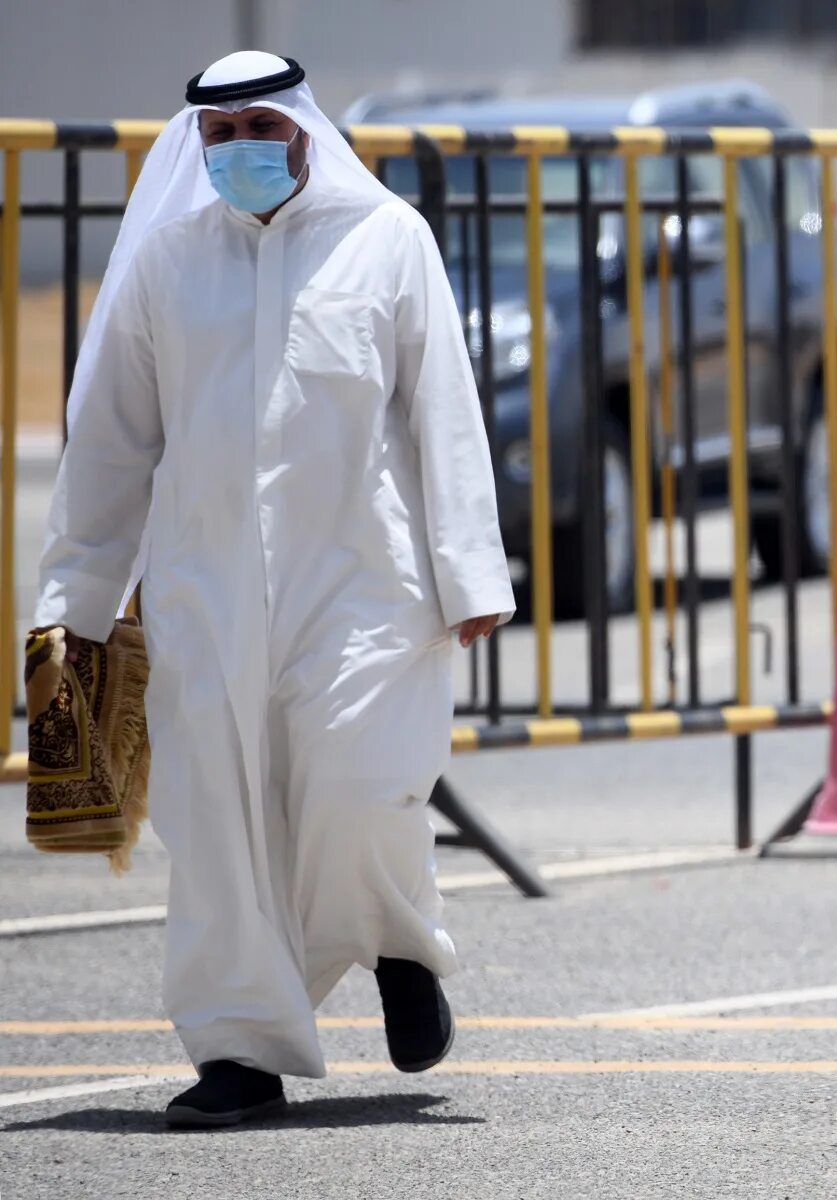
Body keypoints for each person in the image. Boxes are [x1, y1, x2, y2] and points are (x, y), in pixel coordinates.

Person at [33, 51, 513, 1128]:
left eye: (259, 127)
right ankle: (239, 1052)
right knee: (215, 825)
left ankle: (399, 944)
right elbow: (110, 446)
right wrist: (75, 599)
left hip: (367, 587)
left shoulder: (389, 241)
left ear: (303, 132)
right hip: (204, 594)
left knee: (358, 789)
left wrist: (469, 570)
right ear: (194, 143)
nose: (238, 149)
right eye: (217, 134)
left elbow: (443, 410)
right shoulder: (163, 265)